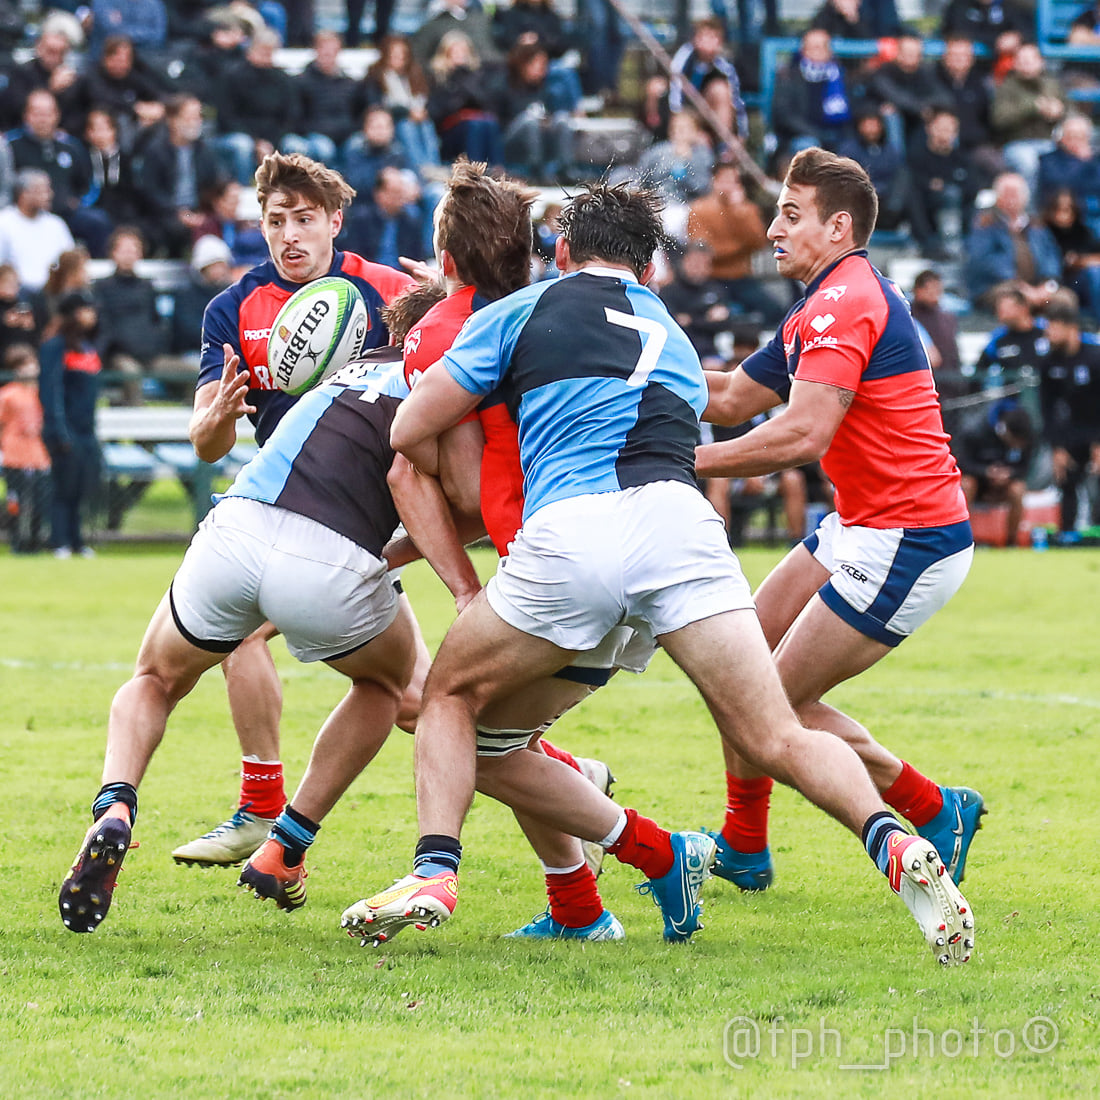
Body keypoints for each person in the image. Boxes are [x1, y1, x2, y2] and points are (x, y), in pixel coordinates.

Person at [348, 179, 975, 966]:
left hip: (574, 533)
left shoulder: (518, 311)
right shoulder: (671, 331)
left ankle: (435, 871)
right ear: (647, 272)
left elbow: (411, 425)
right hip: (684, 530)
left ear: (564, 252)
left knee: (448, 697)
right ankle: (889, 840)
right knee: (773, 730)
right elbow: (721, 405)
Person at [693, 149, 984, 902]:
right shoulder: (818, 303)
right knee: (742, 661)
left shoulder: (844, 302)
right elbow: (727, 396)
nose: (773, 229)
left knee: (769, 702)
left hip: (908, 538)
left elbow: (800, 435)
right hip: (864, 523)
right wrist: (639, 366)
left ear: (839, 226)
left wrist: (683, 461)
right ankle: (746, 844)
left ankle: (927, 806)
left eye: (792, 215)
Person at [58, 332, 421, 933]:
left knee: (153, 679)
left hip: (240, 524)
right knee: (388, 688)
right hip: (332, 549)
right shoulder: (448, 380)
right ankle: (286, 846)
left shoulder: (350, 366)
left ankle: (115, 803)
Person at [169, 152, 416, 867]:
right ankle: (562, 775)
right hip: (283, 511)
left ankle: (262, 809)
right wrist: (218, 415)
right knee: (409, 697)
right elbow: (207, 441)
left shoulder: (386, 291)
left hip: (367, 514)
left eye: (305, 219)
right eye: (276, 221)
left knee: (403, 693)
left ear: (335, 221)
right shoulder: (233, 307)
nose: (290, 235)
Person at [38, 289, 102, 559]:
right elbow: (50, 391)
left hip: (86, 431)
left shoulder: (88, 347)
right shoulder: (56, 347)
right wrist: (60, 431)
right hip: (65, 430)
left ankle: (77, 540)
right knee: (63, 486)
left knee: (81, 486)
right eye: (85, 309)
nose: (92, 315)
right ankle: (59, 540)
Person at [686, 162, 787, 324]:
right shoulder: (699, 209)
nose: (729, 186)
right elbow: (705, 251)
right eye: (724, 180)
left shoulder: (746, 210)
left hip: (741, 277)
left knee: (775, 310)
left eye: (734, 181)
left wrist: (739, 212)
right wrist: (741, 247)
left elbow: (759, 242)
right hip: (712, 279)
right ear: (714, 181)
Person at [1040, 300, 1100, 536]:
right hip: (1070, 433)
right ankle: (1067, 535)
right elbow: (1048, 408)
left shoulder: (1095, 358)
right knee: (1067, 481)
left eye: (1052, 327)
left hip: (1096, 428)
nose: (1047, 333)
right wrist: (1056, 447)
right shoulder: (1049, 363)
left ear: (1070, 327)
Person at [965, 171, 1064, 313]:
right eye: (1007, 193)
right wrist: (1020, 286)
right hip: (999, 286)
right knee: (1015, 300)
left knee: (1064, 301)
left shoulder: (1036, 224)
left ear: (1025, 197)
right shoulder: (984, 223)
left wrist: (1048, 284)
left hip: (1037, 286)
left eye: (1015, 193)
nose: (1011, 199)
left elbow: (1051, 255)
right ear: (997, 197)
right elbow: (983, 260)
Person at [92, 227, 166, 405]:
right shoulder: (102, 288)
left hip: (151, 356)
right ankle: (141, 430)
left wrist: (154, 344)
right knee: (131, 373)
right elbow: (104, 327)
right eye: (124, 250)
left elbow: (157, 322)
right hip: (118, 356)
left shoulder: (147, 287)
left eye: (134, 250)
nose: (129, 255)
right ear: (113, 253)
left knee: (193, 372)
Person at [955, 404, 1034, 547]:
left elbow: (1025, 468)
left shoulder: (1026, 437)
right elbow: (962, 464)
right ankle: (962, 540)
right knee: (966, 484)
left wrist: (1009, 474)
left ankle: (1011, 542)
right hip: (978, 484)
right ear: (1007, 432)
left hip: (1004, 485)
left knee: (1018, 489)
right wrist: (986, 472)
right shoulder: (975, 431)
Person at [0, 343, 51, 554]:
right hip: (14, 454)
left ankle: (36, 541)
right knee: (16, 501)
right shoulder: (8, 394)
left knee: (40, 500)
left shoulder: (43, 392)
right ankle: (16, 541)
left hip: (38, 454)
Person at [0, 170, 76, 292]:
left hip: (53, 291)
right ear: (23, 193)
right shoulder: (4, 222)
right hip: (19, 292)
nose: (49, 195)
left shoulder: (56, 224)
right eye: (42, 190)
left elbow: (70, 261)